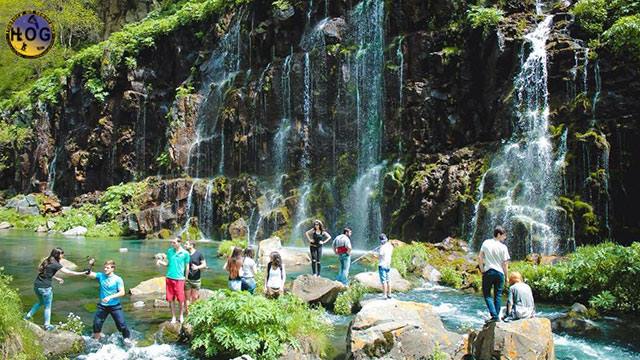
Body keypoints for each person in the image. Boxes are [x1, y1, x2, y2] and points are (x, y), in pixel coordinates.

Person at [24, 248, 85, 330]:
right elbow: (69, 272)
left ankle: (27, 316)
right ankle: (47, 325)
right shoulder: (56, 264)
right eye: (61, 254)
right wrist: (82, 273)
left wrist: (57, 278)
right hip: (45, 288)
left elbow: (44, 273)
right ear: (57, 255)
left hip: (37, 286)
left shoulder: (46, 260)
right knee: (47, 307)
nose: (63, 255)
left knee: (40, 302)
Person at [85, 260, 131, 341]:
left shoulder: (118, 279)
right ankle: (96, 340)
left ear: (113, 269)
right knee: (97, 324)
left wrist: (110, 297)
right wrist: (90, 265)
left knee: (122, 325)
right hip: (103, 306)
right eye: (105, 267)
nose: (105, 269)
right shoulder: (101, 276)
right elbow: (88, 273)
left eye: (107, 268)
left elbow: (122, 292)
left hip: (115, 306)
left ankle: (127, 340)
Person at [478, 226, 511, 323]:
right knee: (498, 296)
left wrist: (482, 270)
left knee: (487, 294)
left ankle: (494, 316)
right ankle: (496, 317)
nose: (505, 238)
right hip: (500, 273)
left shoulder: (486, 242)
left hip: (489, 271)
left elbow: (480, 257)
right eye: (504, 236)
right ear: (499, 234)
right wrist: (506, 277)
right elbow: (505, 264)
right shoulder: (503, 247)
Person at [156, 238, 190, 323]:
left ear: (179, 243)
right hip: (169, 278)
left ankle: (181, 316)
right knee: (171, 299)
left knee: (181, 299)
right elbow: (167, 263)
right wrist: (160, 262)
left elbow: (187, 267)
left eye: (174, 242)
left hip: (179, 279)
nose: (172, 244)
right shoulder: (170, 251)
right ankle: (173, 317)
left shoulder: (185, 253)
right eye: (171, 242)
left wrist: (186, 278)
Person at [376, 234, 394, 299]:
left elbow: (380, 255)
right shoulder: (390, 246)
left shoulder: (382, 247)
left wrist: (374, 252)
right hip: (388, 265)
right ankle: (389, 294)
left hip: (382, 265)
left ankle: (384, 295)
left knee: (383, 281)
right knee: (388, 280)